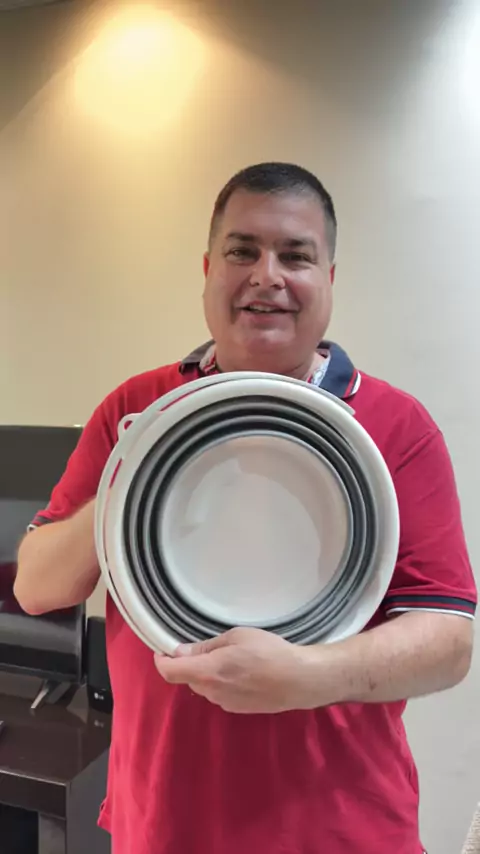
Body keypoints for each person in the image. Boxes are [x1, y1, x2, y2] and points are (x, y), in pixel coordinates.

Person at [15, 162, 476, 854]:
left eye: (296, 256)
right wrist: (132, 471)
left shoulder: (397, 426)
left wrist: (310, 678)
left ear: (329, 278)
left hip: (343, 834)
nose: (268, 276)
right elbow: (35, 587)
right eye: (243, 251)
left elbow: (448, 642)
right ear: (208, 269)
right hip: (163, 828)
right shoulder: (135, 408)